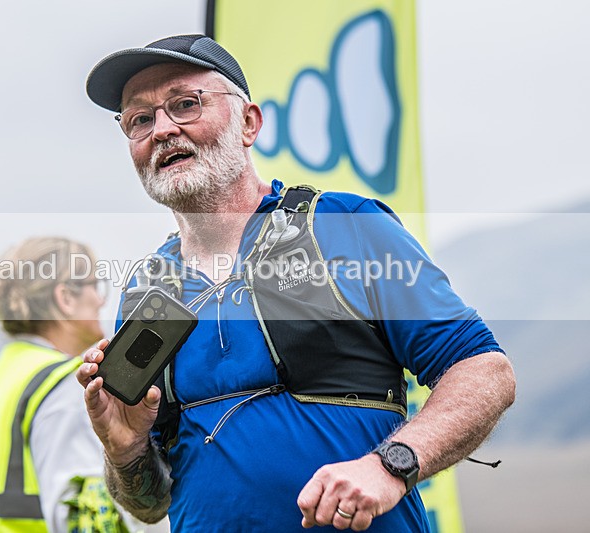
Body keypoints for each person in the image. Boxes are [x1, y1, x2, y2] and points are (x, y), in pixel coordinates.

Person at [77, 34, 516, 532]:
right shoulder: (147, 290)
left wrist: (390, 465)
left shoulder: (344, 226)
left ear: (248, 123)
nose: (162, 130)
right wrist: (125, 450)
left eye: (185, 104)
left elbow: (485, 371)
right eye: (140, 119)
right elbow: (150, 503)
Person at [0, 236, 134, 532]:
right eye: (95, 285)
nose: (101, 300)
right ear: (65, 298)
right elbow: (85, 519)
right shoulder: (62, 384)